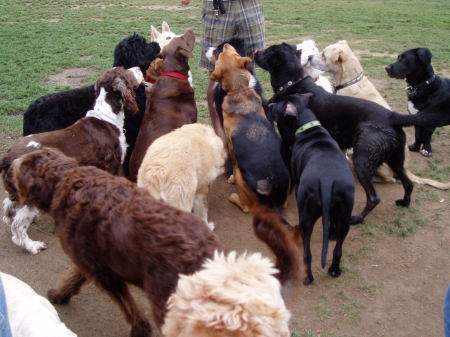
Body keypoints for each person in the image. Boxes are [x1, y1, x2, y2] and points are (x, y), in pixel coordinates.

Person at [181, 0, 265, 138]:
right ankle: (219, 134)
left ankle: (255, 130)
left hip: (250, 6)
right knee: (215, 73)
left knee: (248, 70)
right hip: (219, 8)